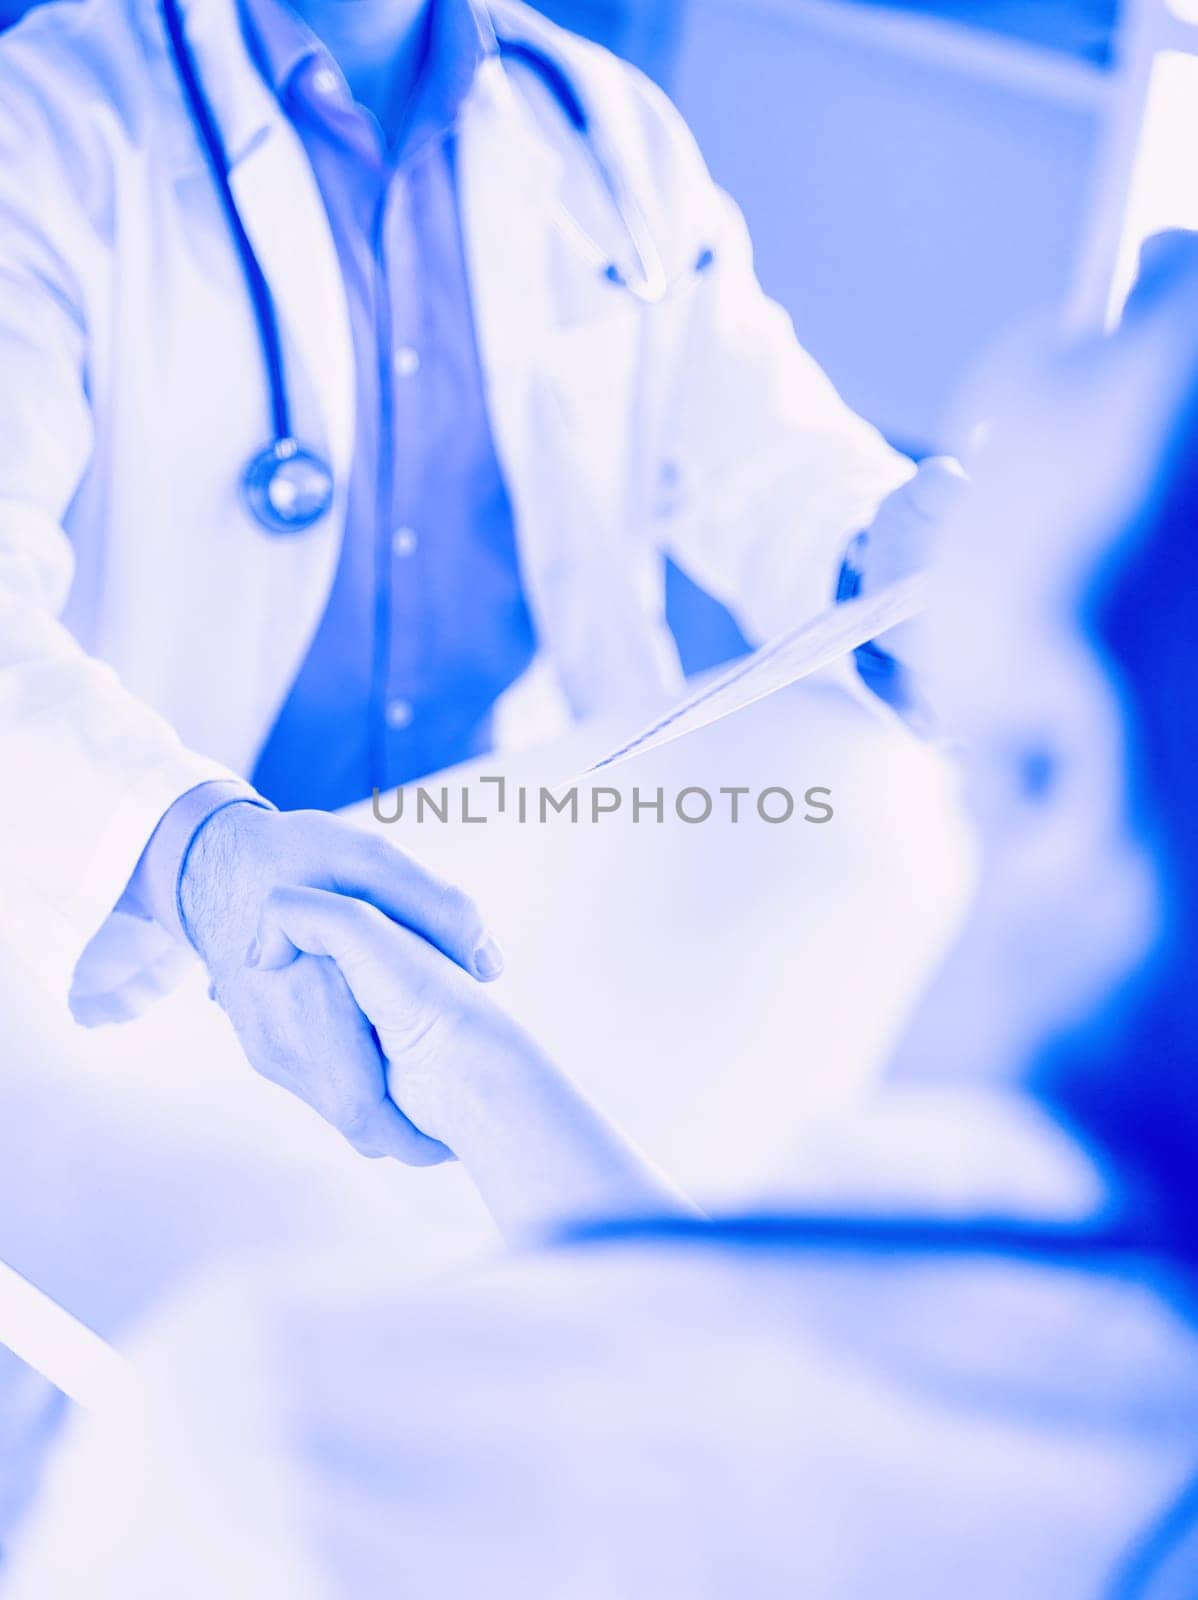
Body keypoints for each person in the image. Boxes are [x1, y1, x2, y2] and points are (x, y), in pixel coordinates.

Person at [9, 239, 1198, 1598]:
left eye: (1147, 341)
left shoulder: (297, 1455)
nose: (1163, 259)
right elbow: (768, 1387)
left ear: (1056, 760)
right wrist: (477, 1070)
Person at [0, 0, 961, 1158]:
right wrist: (195, 854)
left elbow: (770, 461)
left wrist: (890, 559)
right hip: (164, 948)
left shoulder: (603, 128)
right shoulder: (45, 126)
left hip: (510, 903)